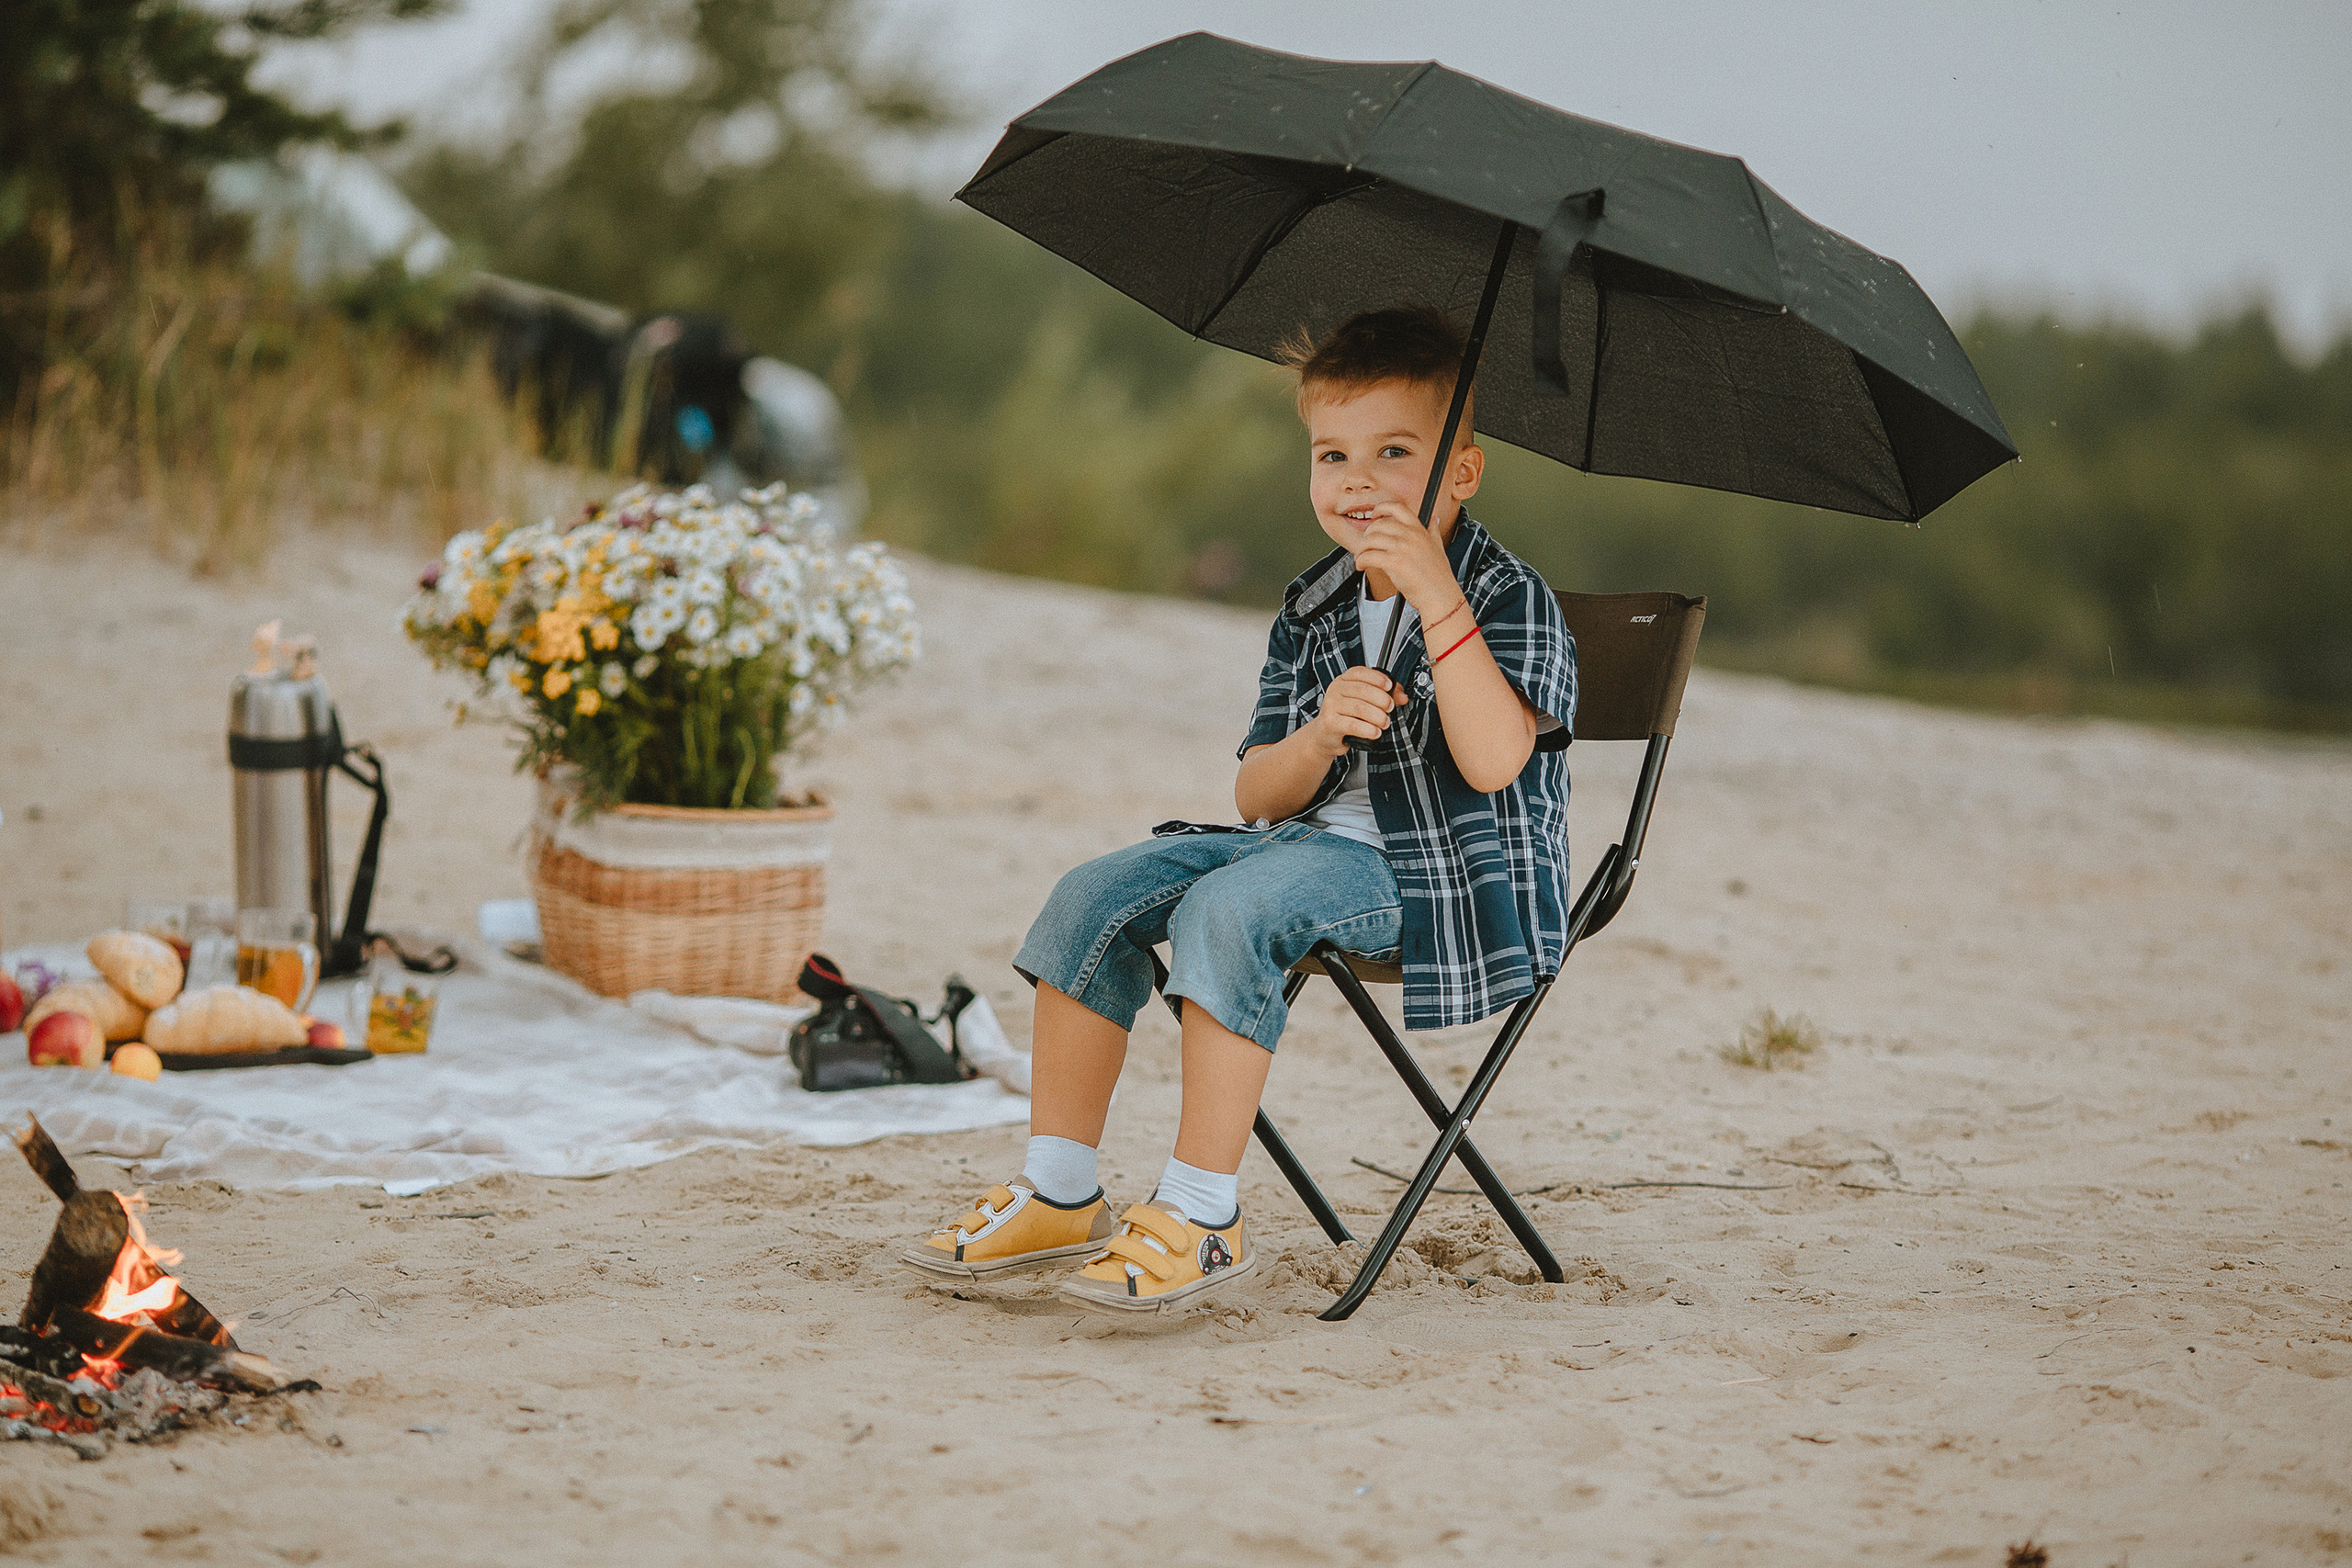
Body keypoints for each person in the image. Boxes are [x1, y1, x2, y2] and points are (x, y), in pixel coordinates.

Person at [900, 305, 1578, 1315]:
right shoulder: (1314, 604)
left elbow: (1492, 765)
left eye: (1394, 452)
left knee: (1231, 909)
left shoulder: (1509, 596)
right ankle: (1060, 1188)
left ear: (1463, 473)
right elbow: (1256, 793)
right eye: (1332, 454)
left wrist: (1439, 602)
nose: (1357, 481)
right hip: (1298, 845)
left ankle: (1202, 1213)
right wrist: (1319, 735)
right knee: (1092, 896)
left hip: (1438, 879)